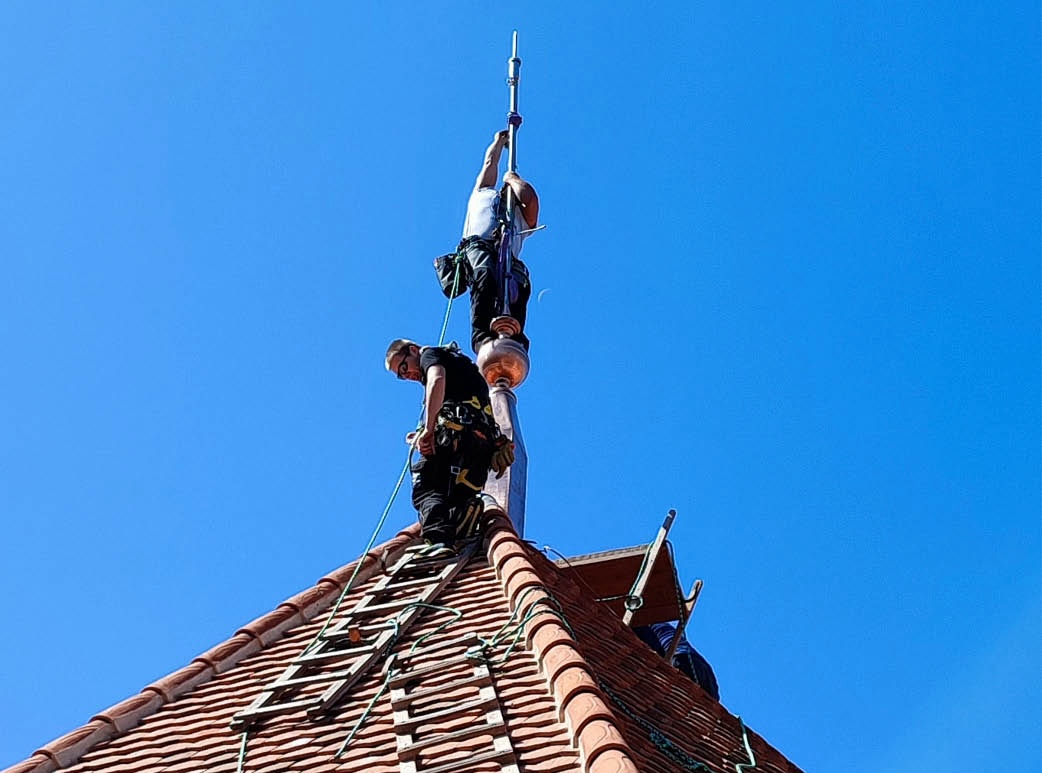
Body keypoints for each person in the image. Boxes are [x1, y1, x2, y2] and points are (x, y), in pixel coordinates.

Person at [385, 338, 514, 550]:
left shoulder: (431, 355)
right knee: (454, 497)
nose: (406, 375)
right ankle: (461, 522)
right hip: (479, 446)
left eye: (404, 367)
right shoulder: (460, 367)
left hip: (455, 437)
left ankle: (436, 541)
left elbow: (437, 379)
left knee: (427, 488)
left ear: (413, 350)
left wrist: (429, 430)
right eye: (400, 375)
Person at [436, 130, 540, 353]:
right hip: (478, 246)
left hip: (508, 257)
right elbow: (489, 163)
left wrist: (512, 179)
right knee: (485, 275)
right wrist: (498, 142)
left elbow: (530, 200)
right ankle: (481, 335)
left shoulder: (519, 216)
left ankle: (515, 340)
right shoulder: (483, 194)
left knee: (520, 289)